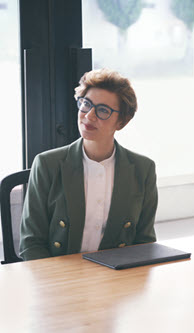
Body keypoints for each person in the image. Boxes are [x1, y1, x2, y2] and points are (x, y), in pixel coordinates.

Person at [19, 68, 158, 260]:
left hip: (115, 278)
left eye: (102, 110)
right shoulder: (46, 164)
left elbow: (145, 244)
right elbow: (31, 243)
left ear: (121, 122)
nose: (89, 116)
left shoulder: (143, 170)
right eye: (86, 104)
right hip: (59, 278)